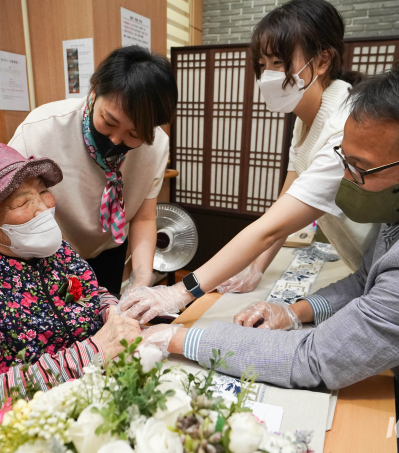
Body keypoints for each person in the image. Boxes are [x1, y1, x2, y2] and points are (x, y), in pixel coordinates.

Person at [141, 58, 399, 452]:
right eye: (344, 162)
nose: (347, 180)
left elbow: (314, 360)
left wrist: (177, 335)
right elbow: (368, 278)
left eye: (361, 169)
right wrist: (295, 311)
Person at [120, 0, 378, 322]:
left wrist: (180, 292)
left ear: (322, 60)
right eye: (263, 62)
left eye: (279, 61)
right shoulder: (306, 119)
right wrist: (256, 268)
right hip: (362, 264)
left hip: (381, 264)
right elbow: (286, 198)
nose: (268, 74)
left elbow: (270, 229)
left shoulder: (342, 128)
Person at [0, 45, 178, 295]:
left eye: (134, 134)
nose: (116, 140)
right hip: (48, 256)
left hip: (109, 251)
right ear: (94, 91)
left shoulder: (156, 147)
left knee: (104, 320)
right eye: (109, 122)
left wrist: (141, 280)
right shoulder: (42, 129)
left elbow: (143, 218)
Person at [0, 139, 141, 433]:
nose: (45, 208)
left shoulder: (54, 252)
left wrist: (111, 312)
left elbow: (81, 294)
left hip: (96, 394)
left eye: (44, 191)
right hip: (31, 426)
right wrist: (93, 351)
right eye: (22, 202)